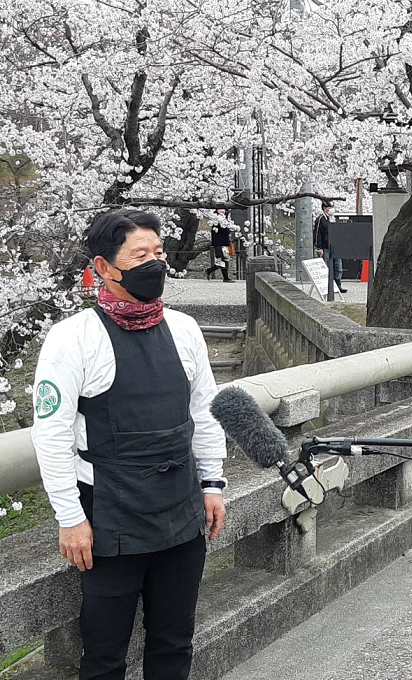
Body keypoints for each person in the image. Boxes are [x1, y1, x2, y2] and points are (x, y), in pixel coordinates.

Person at [32, 209, 228, 680]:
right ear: (103, 267)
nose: (154, 264)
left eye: (158, 253)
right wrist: (70, 518)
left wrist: (213, 482)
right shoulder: (72, 339)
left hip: (180, 506)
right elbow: (51, 433)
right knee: (103, 653)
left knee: (175, 640)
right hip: (107, 513)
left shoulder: (184, 329)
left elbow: (204, 410)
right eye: (139, 256)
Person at [314, 201, 347, 294]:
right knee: (326, 267)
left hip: (335, 247)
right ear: (325, 208)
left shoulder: (333, 219)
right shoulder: (321, 219)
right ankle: (326, 286)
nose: (331, 209)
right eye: (330, 207)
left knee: (338, 267)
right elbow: (317, 233)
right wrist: (319, 247)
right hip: (325, 247)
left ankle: (338, 284)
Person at [205, 209, 235, 283]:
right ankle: (223, 276)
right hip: (218, 243)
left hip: (225, 242)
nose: (222, 211)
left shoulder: (227, 219)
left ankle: (212, 271)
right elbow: (217, 231)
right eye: (220, 209)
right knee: (222, 260)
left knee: (225, 260)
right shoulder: (215, 220)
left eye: (223, 209)